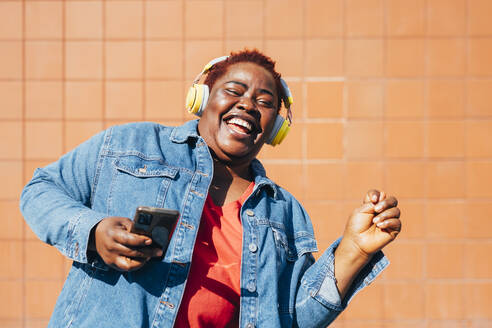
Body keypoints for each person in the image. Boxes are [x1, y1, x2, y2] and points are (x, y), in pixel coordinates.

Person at [20, 50, 401, 328]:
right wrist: (94, 233)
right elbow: (40, 189)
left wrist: (352, 250)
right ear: (201, 99)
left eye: (266, 102)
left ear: (275, 129)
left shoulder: (283, 211)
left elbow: (292, 318)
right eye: (235, 90)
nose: (249, 104)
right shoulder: (129, 144)